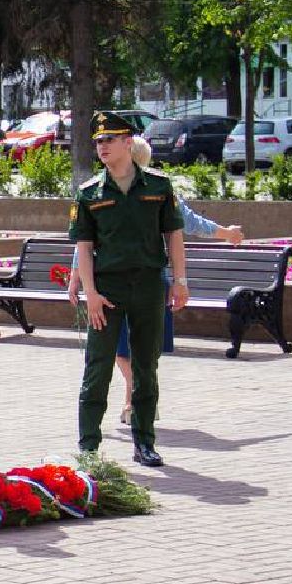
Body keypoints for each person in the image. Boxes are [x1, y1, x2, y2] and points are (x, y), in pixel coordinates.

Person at [71, 111, 189, 468]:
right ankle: (89, 447)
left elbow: (174, 235)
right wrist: (89, 292)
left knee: (145, 367)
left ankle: (144, 442)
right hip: (107, 289)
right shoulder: (89, 193)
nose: (102, 147)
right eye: (98, 142)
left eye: (109, 140)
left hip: (150, 285)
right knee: (98, 367)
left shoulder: (158, 186)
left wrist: (180, 281)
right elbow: (84, 248)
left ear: (127, 142)